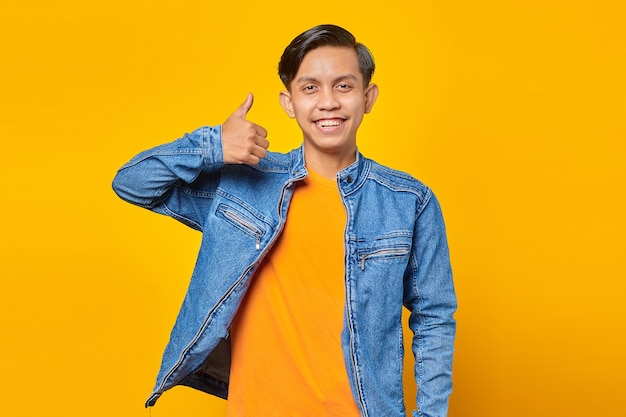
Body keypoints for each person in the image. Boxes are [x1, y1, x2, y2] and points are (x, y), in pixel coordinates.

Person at [112, 24, 456, 417]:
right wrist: (212, 145)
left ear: (368, 97)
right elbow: (133, 184)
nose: (328, 102)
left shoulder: (408, 202)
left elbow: (434, 317)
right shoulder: (245, 182)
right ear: (289, 102)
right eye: (310, 88)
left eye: (343, 86)